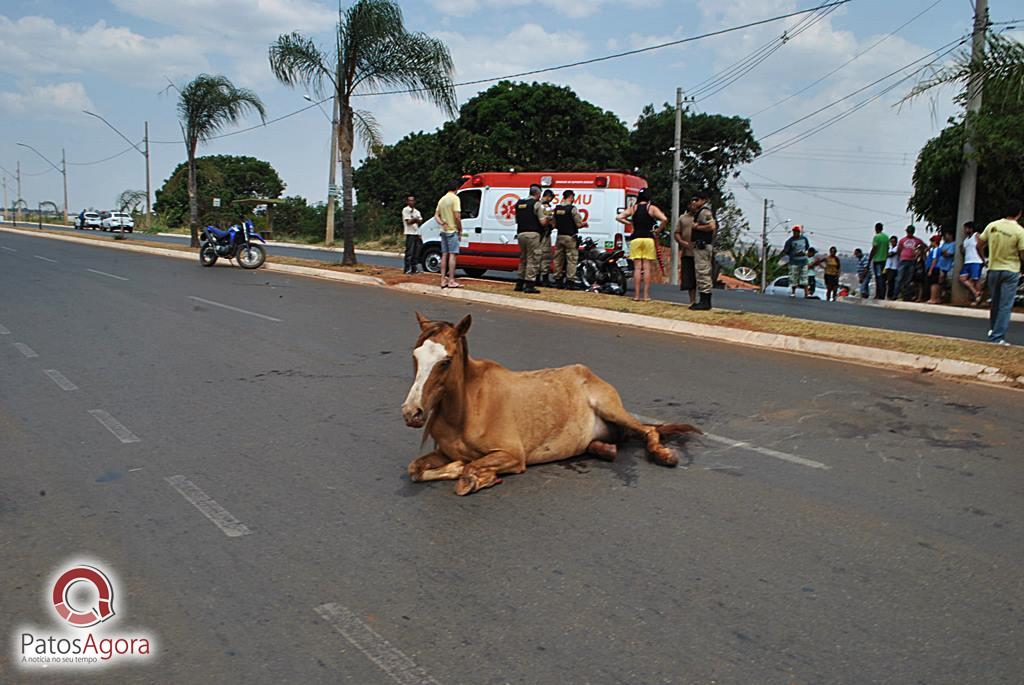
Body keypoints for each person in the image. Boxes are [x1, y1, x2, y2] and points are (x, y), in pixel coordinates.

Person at [976, 201, 1024, 345]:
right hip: (1011, 269)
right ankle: (997, 336)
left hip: (993, 268)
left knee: (995, 303)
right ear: (1019, 214)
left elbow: (979, 244)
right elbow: (1022, 254)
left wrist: (984, 259)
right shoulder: (1019, 231)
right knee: (1005, 305)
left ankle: (993, 330)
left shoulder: (993, 226)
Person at [616, 188, 667, 302]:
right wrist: (658, 230)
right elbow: (664, 219)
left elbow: (618, 217)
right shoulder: (651, 208)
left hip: (635, 239)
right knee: (647, 268)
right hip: (648, 238)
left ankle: (636, 296)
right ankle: (646, 296)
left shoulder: (633, 208)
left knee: (637, 268)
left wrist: (629, 223)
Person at [514, 185, 548, 294]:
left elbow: (516, 220)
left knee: (523, 259)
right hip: (533, 234)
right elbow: (542, 222)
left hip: (521, 234)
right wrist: (549, 219)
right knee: (533, 259)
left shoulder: (519, 204)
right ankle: (529, 285)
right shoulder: (537, 204)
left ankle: (519, 283)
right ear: (538, 194)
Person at [689, 192, 717, 310]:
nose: (694, 202)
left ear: (703, 200)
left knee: (703, 272)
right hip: (700, 246)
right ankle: (703, 300)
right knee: (700, 273)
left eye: (697, 200)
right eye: (693, 200)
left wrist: (696, 227)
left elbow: (711, 226)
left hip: (703, 247)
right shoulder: (699, 213)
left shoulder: (705, 212)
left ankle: (705, 302)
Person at [433, 180, 463, 288]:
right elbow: (457, 217)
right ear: (456, 188)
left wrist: (442, 223)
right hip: (452, 230)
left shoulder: (442, 200)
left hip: (444, 231)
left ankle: (442, 279)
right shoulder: (455, 199)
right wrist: (460, 229)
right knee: (453, 255)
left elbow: (436, 215)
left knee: (444, 255)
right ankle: (451, 280)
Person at [552, 190, 583, 289]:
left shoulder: (557, 209)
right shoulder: (572, 209)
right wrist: (583, 224)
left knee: (558, 259)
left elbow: (554, 224)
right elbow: (578, 224)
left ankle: (557, 280)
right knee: (571, 260)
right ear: (571, 197)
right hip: (570, 237)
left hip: (559, 236)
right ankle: (570, 282)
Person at [673, 199, 698, 304]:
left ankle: (702, 301)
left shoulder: (701, 218)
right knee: (689, 278)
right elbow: (676, 233)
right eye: (692, 204)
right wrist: (682, 242)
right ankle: (692, 301)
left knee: (700, 278)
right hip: (687, 253)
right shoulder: (683, 218)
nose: (694, 206)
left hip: (700, 253)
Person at [894, 225, 925, 301]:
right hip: (903, 260)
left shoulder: (917, 240)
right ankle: (896, 294)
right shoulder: (902, 240)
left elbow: (923, 247)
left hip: (912, 261)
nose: (909, 233)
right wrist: (900, 257)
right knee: (899, 278)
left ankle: (906, 295)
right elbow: (899, 250)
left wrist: (919, 254)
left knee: (908, 279)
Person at [781, 225, 812, 298]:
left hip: (803, 261)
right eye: (794, 232)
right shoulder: (790, 241)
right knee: (793, 277)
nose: (796, 233)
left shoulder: (804, 239)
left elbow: (807, 247)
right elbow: (786, 251)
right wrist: (793, 254)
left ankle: (806, 293)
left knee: (804, 277)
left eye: (797, 232)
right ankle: (793, 292)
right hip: (794, 262)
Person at [958, 221, 984, 304]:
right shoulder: (966, 240)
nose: (965, 230)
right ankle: (976, 293)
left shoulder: (976, 235)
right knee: (962, 278)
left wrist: (983, 258)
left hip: (976, 260)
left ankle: (978, 299)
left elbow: (982, 246)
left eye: (966, 228)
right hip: (967, 261)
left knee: (976, 280)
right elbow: (965, 252)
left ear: (971, 228)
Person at [535, 189, 556, 286]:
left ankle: (536, 277)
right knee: (545, 256)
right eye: (551, 198)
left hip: (537, 234)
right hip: (544, 234)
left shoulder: (536, 204)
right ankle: (545, 279)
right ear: (548, 197)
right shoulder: (546, 206)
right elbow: (550, 219)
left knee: (536, 256)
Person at [401, 196, 423, 274]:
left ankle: (414, 268)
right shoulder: (405, 210)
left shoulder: (416, 211)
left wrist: (415, 220)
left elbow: (420, 220)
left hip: (416, 233)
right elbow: (408, 222)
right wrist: (416, 219)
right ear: (407, 202)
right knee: (409, 252)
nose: (411, 202)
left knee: (416, 252)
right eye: (409, 201)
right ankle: (407, 268)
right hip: (409, 233)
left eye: (412, 201)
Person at [868, 222, 889, 299]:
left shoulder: (876, 237)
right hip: (885, 260)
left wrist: (870, 258)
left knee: (878, 278)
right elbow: (887, 249)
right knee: (883, 278)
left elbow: (874, 248)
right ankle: (881, 294)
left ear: (876, 228)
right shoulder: (886, 237)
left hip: (877, 260)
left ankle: (879, 295)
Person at [924, 234, 943, 304]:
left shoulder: (935, 249)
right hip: (937, 268)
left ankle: (933, 298)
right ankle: (937, 298)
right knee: (937, 283)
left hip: (934, 268)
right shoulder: (938, 250)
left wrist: (930, 270)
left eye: (932, 242)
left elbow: (934, 260)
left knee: (933, 284)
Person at [883, 235, 899, 299]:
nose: (892, 243)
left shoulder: (897, 248)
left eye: (893, 241)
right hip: (888, 266)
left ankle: (891, 295)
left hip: (894, 267)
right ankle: (888, 295)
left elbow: (890, 255)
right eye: (891, 241)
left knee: (891, 282)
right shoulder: (889, 248)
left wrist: (886, 254)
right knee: (888, 282)